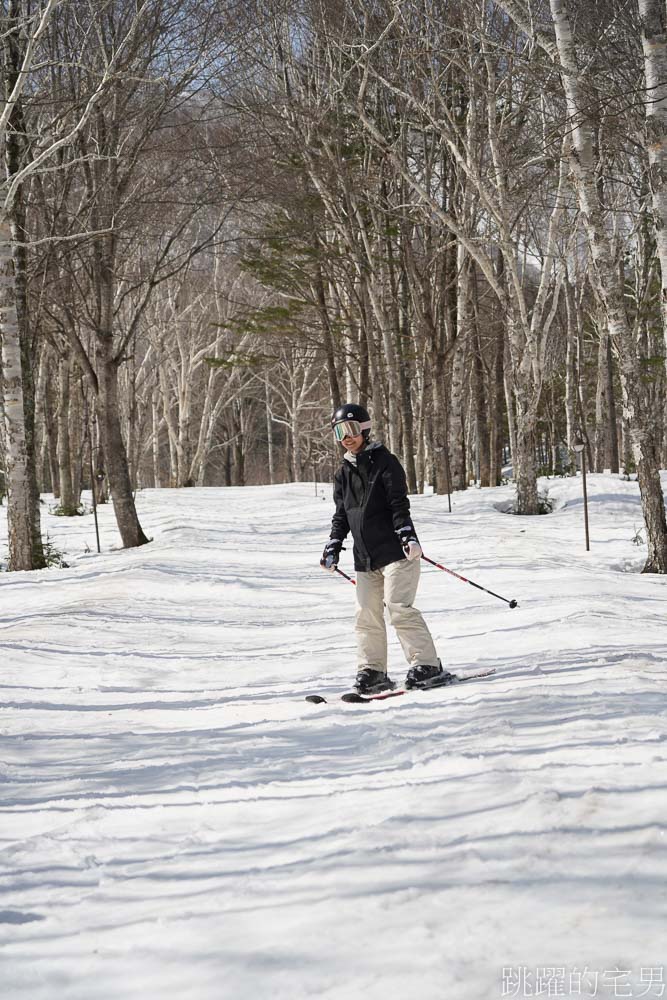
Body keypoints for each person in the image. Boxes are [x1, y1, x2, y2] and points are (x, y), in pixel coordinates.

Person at [320, 402, 452, 695]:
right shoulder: (343, 474)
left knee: (398, 608)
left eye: (352, 429)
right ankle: (372, 670)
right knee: (366, 615)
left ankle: (427, 664)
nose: (346, 437)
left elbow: (398, 504)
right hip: (365, 558)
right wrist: (333, 544)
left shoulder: (385, 462)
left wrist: (407, 535)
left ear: (364, 430)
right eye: (339, 431)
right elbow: (342, 515)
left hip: (396, 554)